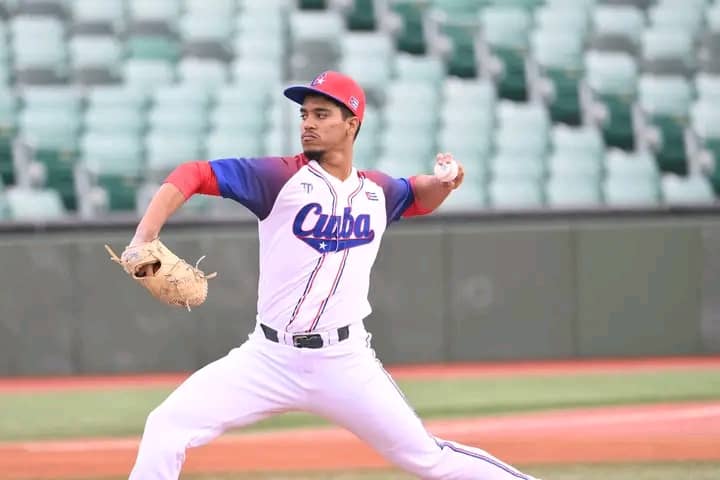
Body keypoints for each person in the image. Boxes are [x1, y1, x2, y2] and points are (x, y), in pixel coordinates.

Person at [125, 71, 537, 480]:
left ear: (352, 124)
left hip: (344, 360)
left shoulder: (376, 192)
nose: (308, 123)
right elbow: (194, 173)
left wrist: (444, 183)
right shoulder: (279, 178)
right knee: (167, 426)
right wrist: (145, 235)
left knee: (428, 457)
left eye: (322, 114)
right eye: (305, 114)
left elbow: (415, 193)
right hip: (268, 357)